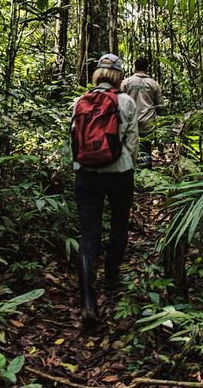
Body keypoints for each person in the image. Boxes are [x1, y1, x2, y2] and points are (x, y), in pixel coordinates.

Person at [71, 53, 139, 328]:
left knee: (89, 235)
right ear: (119, 76)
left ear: (97, 74)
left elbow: (74, 140)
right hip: (119, 174)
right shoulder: (126, 102)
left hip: (86, 175)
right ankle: (111, 282)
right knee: (119, 225)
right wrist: (126, 164)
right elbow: (132, 141)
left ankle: (88, 301)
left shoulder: (79, 102)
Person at [121, 56, 163, 169]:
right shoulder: (154, 84)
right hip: (147, 122)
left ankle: (130, 171)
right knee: (146, 149)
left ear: (135, 68)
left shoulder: (126, 82)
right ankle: (147, 173)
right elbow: (160, 105)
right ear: (147, 68)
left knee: (128, 148)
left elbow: (119, 101)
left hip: (129, 121)